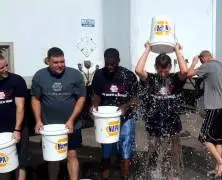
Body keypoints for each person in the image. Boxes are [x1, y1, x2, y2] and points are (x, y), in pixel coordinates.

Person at [31, 47, 86, 180]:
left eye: (62, 61)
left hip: (71, 125)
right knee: (53, 157)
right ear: (48, 62)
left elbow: (81, 98)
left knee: (72, 155)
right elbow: (35, 99)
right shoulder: (39, 75)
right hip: (50, 126)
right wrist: (38, 120)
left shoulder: (75, 75)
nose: (60, 65)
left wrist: (72, 120)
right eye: (55, 62)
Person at [135, 42, 188, 180]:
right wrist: (148, 49)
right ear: (155, 68)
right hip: (154, 122)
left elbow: (184, 71)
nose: (163, 74)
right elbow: (139, 70)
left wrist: (177, 50)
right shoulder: (152, 78)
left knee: (175, 149)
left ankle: (174, 174)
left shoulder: (175, 79)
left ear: (170, 67)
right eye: (160, 70)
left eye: (165, 70)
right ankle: (154, 173)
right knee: (153, 149)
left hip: (173, 122)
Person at [91, 48, 138, 180]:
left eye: (113, 64)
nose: (110, 67)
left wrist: (126, 106)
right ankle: (105, 177)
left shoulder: (128, 75)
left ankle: (125, 177)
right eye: (107, 64)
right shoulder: (99, 74)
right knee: (106, 152)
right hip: (106, 119)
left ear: (119, 61)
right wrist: (94, 104)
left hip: (126, 118)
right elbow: (96, 94)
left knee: (125, 152)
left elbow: (136, 98)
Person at [187, 50, 222, 178]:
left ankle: (221, 163)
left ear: (203, 59)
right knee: (218, 141)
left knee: (204, 138)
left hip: (214, 108)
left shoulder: (207, 65)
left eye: (200, 61)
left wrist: (193, 63)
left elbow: (189, 74)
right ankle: (218, 170)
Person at [0, 54, 28, 180]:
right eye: (1, 68)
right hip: (1, 131)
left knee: (20, 164)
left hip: (17, 127)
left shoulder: (16, 80)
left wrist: (17, 130)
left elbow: (20, 107)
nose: (5, 69)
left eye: (6, 65)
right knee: (3, 164)